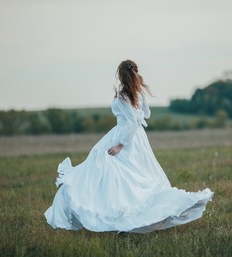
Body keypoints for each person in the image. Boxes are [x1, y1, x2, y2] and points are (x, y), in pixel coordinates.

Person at [44, 59, 213, 233]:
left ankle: (116, 211)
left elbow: (131, 121)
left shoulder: (124, 95)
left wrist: (120, 145)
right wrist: (135, 116)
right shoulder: (138, 92)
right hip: (138, 137)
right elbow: (146, 114)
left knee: (112, 171)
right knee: (135, 173)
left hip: (125, 135)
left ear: (120, 75)